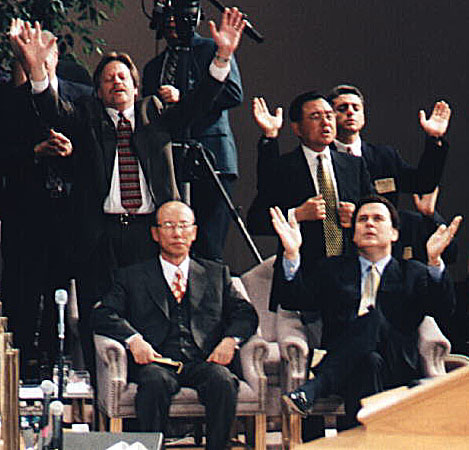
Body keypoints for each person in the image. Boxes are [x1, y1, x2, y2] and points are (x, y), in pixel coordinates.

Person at [9, 7, 246, 374]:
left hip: (148, 233)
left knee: (150, 314)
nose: (116, 83)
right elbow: (53, 111)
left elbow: (198, 104)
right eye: (107, 79)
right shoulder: (86, 116)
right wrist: (37, 69)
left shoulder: (155, 113)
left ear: (136, 87)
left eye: (122, 77)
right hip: (99, 236)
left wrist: (223, 57)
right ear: (98, 91)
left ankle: (153, 382)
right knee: (99, 316)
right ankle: (103, 392)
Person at [270, 195, 461, 428]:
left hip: (397, 364)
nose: (369, 223)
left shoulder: (413, 272)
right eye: (362, 219)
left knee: (373, 319)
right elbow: (292, 300)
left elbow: (444, 309)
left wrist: (434, 261)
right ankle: (367, 440)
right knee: (369, 362)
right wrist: (291, 254)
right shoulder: (333, 269)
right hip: (347, 368)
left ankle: (315, 387)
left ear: (394, 233)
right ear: (353, 234)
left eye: (378, 219)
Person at [92, 200, 258, 449]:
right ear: (155, 233)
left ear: (194, 232)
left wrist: (230, 341)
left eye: (183, 225)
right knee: (153, 383)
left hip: (204, 361)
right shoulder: (132, 276)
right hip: (157, 362)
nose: (177, 233)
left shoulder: (216, 274)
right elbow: (103, 313)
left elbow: (246, 314)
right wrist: (134, 340)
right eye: (169, 226)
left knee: (223, 381)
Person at [247, 93, 373, 311]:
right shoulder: (283, 167)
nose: (326, 122)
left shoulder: (353, 165)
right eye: (315, 117)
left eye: (329, 116)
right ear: (297, 128)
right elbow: (256, 221)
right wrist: (296, 215)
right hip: (305, 281)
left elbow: (377, 210)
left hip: (350, 279)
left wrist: (357, 216)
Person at [143, 10, 243, 261]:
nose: (172, 22)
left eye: (178, 16)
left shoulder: (213, 49)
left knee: (209, 245)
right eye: (167, 17)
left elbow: (233, 93)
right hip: (171, 163)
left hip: (212, 157)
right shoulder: (154, 66)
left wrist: (184, 97)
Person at [327, 84, 450, 207]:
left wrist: (434, 138)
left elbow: (423, 183)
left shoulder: (384, 157)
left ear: (363, 115)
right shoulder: (323, 157)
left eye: (356, 108)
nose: (350, 112)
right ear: (329, 116)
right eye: (342, 108)